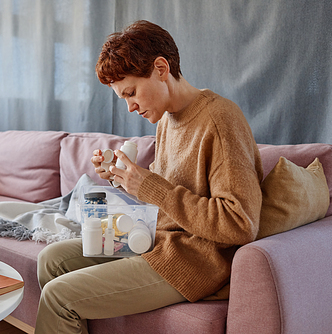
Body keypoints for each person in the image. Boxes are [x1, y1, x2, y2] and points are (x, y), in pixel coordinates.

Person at [34, 20, 263, 334]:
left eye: (131, 93)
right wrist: (119, 176)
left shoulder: (220, 119)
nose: (129, 107)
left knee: (58, 297)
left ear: (160, 68)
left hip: (192, 259)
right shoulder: (167, 120)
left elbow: (240, 223)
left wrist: (151, 186)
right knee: (51, 258)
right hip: (157, 238)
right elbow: (166, 190)